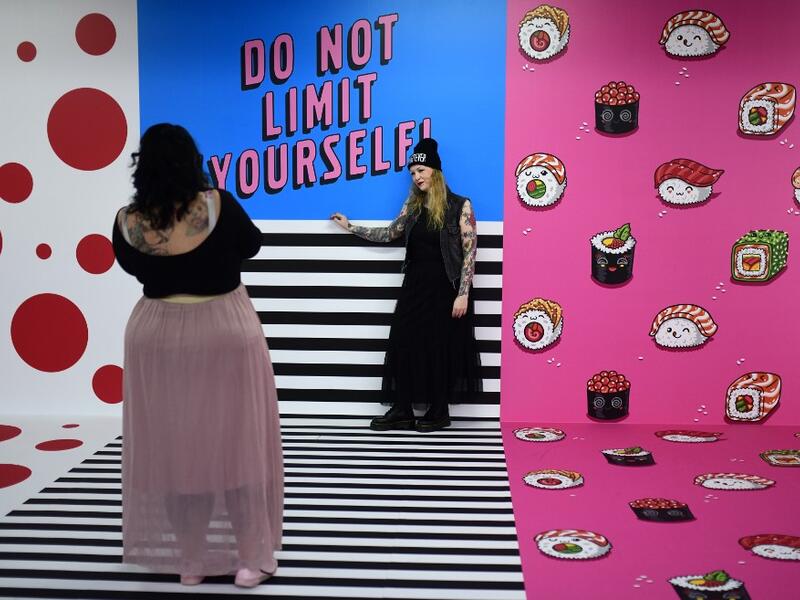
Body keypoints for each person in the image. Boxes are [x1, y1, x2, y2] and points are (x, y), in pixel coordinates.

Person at [112, 123, 283, 588]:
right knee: (237, 446)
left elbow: (130, 264)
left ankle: (191, 560)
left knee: (178, 451)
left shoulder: (129, 220)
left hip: (157, 336)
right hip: (223, 329)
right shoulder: (217, 204)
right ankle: (251, 559)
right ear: (193, 160)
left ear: (141, 166)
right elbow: (252, 245)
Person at [331, 138, 482, 432]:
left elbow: (470, 252)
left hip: (444, 288)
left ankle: (439, 412)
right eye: (413, 173)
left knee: (438, 349)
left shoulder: (459, 205)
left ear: (435, 172)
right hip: (414, 285)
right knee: (403, 344)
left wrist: (462, 294)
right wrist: (350, 226)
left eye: (421, 170)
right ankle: (402, 409)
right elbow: (390, 233)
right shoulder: (413, 206)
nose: (417, 177)